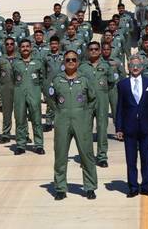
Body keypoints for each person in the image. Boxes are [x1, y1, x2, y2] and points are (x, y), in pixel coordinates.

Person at [48, 50, 98, 200]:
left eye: (74, 60)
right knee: (61, 155)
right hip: (62, 120)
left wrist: (87, 114)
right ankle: (61, 187)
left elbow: (93, 98)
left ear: (78, 62)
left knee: (86, 153)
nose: (71, 62)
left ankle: (89, 187)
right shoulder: (57, 80)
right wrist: (58, 111)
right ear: (64, 62)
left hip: (81, 120)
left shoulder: (84, 79)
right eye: (68, 59)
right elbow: (51, 97)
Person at [115, 55, 148, 198]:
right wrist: (119, 128)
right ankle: (133, 187)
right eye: (132, 65)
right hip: (129, 127)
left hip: (145, 127)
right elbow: (119, 107)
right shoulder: (123, 84)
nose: (135, 68)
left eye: (138, 65)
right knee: (131, 159)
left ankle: (146, 186)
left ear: (142, 67)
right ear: (128, 67)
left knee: (146, 158)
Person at [79, 41, 115, 167]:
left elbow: (111, 82)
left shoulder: (106, 66)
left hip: (102, 101)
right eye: (91, 49)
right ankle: (87, 157)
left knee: (102, 129)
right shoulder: (82, 67)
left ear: (100, 51)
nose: (93, 51)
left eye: (96, 49)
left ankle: (102, 156)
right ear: (88, 51)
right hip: (87, 103)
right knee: (86, 130)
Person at [13, 39, 45, 154]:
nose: (25, 48)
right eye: (23, 47)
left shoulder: (38, 62)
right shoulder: (16, 63)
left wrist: (38, 90)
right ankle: (21, 145)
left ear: (31, 48)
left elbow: (42, 77)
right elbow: (12, 78)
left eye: (27, 46)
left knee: (36, 119)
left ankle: (39, 144)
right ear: (20, 49)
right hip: (19, 94)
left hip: (34, 93)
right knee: (20, 119)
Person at [0, 37, 18, 144]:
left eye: (11, 44)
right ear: (5, 46)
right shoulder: (1, 59)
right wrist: (1, 87)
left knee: (20, 113)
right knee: (7, 113)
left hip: (18, 88)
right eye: (7, 44)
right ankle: (6, 134)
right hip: (6, 89)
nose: (9, 45)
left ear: (14, 45)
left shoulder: (19, 58)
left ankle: (23, 134)